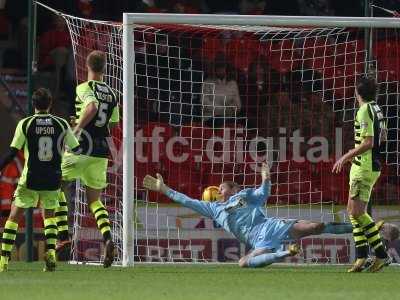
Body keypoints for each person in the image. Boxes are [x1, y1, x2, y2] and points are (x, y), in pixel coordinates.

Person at [143, 162, 353, 268]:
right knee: (243, 263)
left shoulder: (245, 195)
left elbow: (263, 194)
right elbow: (186, 200)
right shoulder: (214, 210)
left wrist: (266, 179)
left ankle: (358, 227)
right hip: (258, 240)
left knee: (315, 227)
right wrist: (165, 189)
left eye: (221, 188)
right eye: (216, 191)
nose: (218, 192)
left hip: (271, 226)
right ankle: (286, 253)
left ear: (233, 189)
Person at [0, 88, 79, 272]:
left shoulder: (25, 124)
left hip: (31, 177)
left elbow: (12, 153)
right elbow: (76, 149)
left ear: (33, 104)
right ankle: (51, 253)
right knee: (49, 217)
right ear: (50, 103)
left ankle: (3, 259)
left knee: (14, 216)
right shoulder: (61, 124)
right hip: (52, 178)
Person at [55, 50, 119, 268]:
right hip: (101, 151)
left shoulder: (84, 87)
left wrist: (77, 127)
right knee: (94, 200)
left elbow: (90, 107)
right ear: (105, 68)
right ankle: (108, 238)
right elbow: (112, 124)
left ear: (86, 65)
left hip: (81, 146)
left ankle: (63, 236)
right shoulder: (112, 92)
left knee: (56, 187)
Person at [333, 76, 390, 272]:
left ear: (357, 93)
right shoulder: (377, 109)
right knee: (353, 212)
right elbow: (381, 138)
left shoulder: (364, 110)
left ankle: (381, 255)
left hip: (364, 167)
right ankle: (361, 257)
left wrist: (345, 156)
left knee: (357, 213)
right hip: (368, 164)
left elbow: (368, 142)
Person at [202, 54, 242, 128]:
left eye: (222, 67)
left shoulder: (233, 83)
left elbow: (238, 105)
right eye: (218, 67)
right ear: (214, 68)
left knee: (240, 122)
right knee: (222, 122)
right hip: (210, 118)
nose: (220, 69)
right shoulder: (207, 82)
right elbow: (204, 103)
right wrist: (222, 110)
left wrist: (231, 109)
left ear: (227, 68)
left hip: (229, 117)